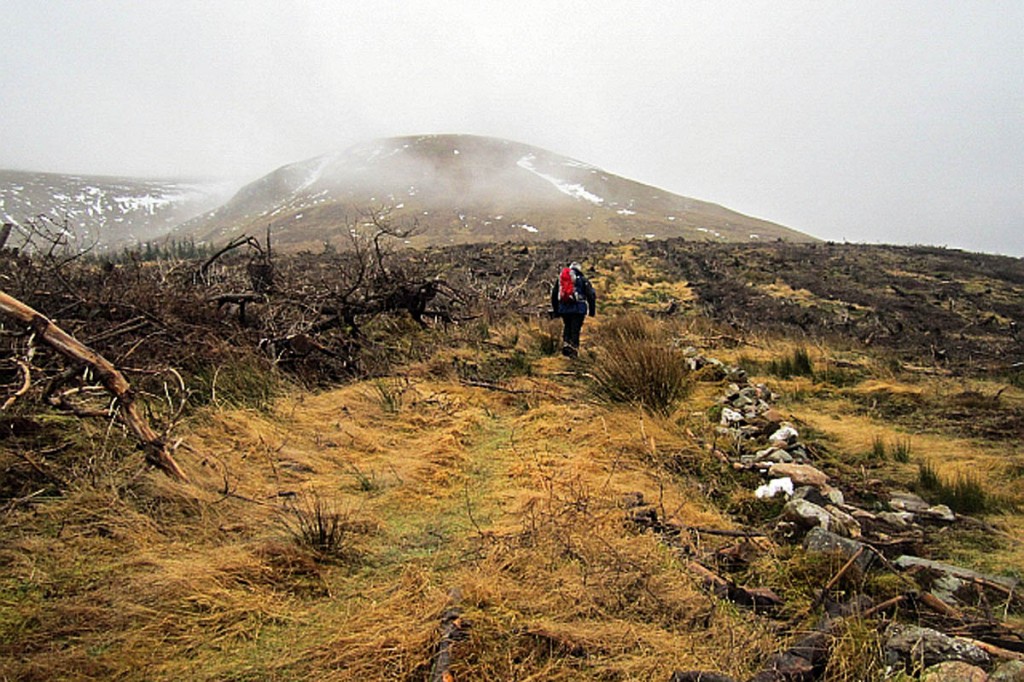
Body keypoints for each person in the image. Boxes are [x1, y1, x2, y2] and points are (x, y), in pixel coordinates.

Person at [550, 261, 596, 357]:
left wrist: (556, 310)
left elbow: (554, 295)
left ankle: (566, 343)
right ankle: (574, 350)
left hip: (564, 308)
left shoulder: (561, 280)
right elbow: (591, 295)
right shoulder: (583, 280)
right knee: (575, 329)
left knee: (567, 326)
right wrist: (592, 311)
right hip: (578, 309)